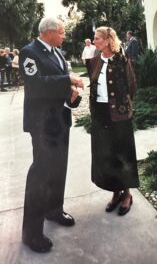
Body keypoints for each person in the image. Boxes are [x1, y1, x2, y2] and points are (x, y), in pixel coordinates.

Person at [19, 17, 84, 253]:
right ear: (48, 32)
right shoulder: (29, 52)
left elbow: (60, 87)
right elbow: (36, 85)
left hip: (59, 121)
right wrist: (67, 80)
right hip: (42, 123)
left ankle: (54, 210)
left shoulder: (57, 52)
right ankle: (31, 233)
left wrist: (72, 97)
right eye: (62, 32)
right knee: (41, 173)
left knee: (59, 169)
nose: (64, 36)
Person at [89, 26, 139, 216]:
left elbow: (131, 84)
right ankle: (115, 192)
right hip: (100, 115)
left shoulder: (121, 59)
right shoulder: (94, 61)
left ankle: (127, 194)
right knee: (107, 155)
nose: (94, 42)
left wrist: (124, 106)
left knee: (122, 153)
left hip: (119, 114)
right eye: (94, 39)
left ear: (108, 40)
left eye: (97, 39)